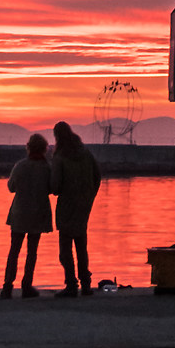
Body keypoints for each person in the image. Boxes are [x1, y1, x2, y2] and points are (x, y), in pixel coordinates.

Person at [49, 121, 102, 298]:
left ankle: (71, 284)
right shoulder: (86, 153)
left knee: (65, 250)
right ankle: (86, 284)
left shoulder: (59, 157)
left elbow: (55, 186)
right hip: (84, 206)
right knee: (81, 246)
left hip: (67, 206)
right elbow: (97, 176)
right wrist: (90, 195)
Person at [2, 132, 54, 297]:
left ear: (29, 148)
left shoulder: (20, 166)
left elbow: (11, 187)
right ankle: (27, 285)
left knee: (14, 251)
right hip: (38, 213)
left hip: (19, 213)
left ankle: (7, 286)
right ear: (44, 149)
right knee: (32, 252)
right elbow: (53, 188)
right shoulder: (47, 168)